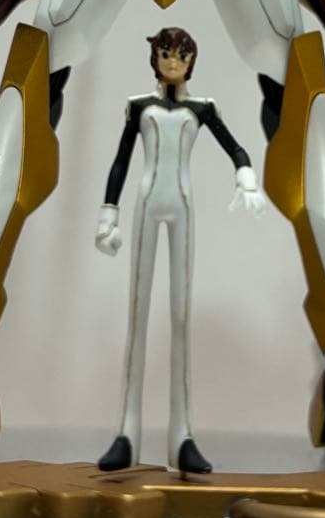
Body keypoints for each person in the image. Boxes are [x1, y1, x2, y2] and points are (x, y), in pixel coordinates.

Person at [95, 27, 266, 473]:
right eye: (165, 54)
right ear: (154, 57)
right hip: (147, 204)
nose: (173, 62)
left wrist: (246, 175)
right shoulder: (139, 106)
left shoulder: (201, 108)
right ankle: (126, 433)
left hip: (183, 208)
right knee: (137, 315)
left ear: (192, 61)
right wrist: (108, 213)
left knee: (181, 316)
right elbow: (120, 160)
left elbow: (235, 146)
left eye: (181, 55)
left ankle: (183, 435)